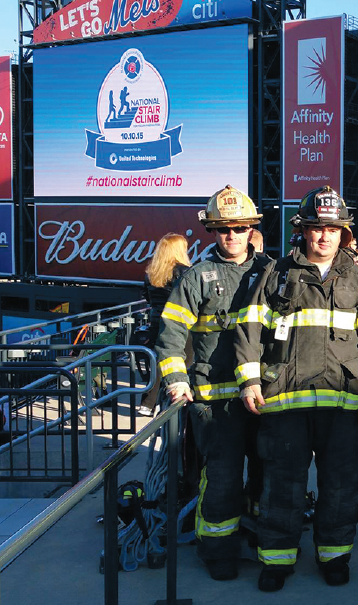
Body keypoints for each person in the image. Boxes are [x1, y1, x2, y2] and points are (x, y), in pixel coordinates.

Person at [235, 187, 358, 591]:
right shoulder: (276, 273)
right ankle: (277, 560)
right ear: (302, 231)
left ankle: (334, 556)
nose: (324, 236)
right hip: (285, 401)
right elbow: (250, 328)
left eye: (333, 229)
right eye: (316, 228)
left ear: (344, 234)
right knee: (281, 485)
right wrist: (250, 380)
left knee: (341, 485)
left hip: (344, 404)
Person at [153, 185, 269, 581]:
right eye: (222, 229)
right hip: (214, 399)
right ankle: (217, 548)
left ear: (250, 227)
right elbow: (170, 334)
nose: (231, 236)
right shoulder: (196, 277)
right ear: (212, 231)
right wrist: (176, 379)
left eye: (238, 227)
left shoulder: (270, 271)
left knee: (266, 473)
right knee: (221, 476)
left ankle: (257, 538)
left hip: (263, 396)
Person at [138, 233, 192, 416]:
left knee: (159, 362)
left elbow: (146, 296)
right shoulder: (184, 272)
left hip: (155, 321)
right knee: (183, 361)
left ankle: (148, 403)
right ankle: (177, 400)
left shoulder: (152, 272)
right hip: (178, 322)